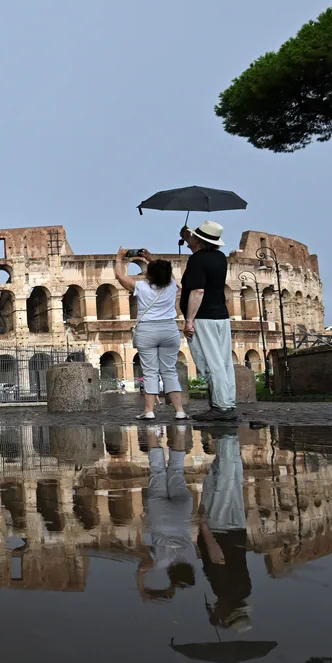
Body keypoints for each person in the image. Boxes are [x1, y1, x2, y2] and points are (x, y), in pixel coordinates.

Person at [114, 249, 188, 421]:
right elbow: (165, 273)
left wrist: (119, 259)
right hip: (170, 329)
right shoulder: (171, 285)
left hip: (147, 330)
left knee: (150, 372)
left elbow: (120, 277)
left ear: (150, 273)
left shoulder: (141, 286)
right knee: (169, 371)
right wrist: (149, 258)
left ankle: (149, 410)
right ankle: (180, 411)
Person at [180, 221, 237, 421]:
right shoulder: (220, 258)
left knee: (211, 363)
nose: (190, 238)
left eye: (193, 236)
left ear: (200, 240)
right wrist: (186, 237)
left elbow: (197, 291)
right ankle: (228, 403)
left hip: (203, 317)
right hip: (221, 316)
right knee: (224, 362)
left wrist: (189, 320)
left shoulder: (197, 261)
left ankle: (221, 408)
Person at [197, 426, 252, 632]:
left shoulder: (245, 590)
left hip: (238, 530)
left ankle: (230, 440)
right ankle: (224, 436)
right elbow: (218, 559)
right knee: (220, 481)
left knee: (232, 482)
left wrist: (216, 612)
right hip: (220, 530)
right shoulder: (223, 589)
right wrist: (204, 528)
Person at [134, 424, 197, 601]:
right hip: (159, 515)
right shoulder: (162, 562)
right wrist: (143, 590)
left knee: (176, 470)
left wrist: (172, 587)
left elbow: (182, 578)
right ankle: (152, 430)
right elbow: (141, 570)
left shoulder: (192, 559)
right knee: (157, 470)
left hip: (182, 512)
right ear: (170, 575)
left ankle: (181, 429)